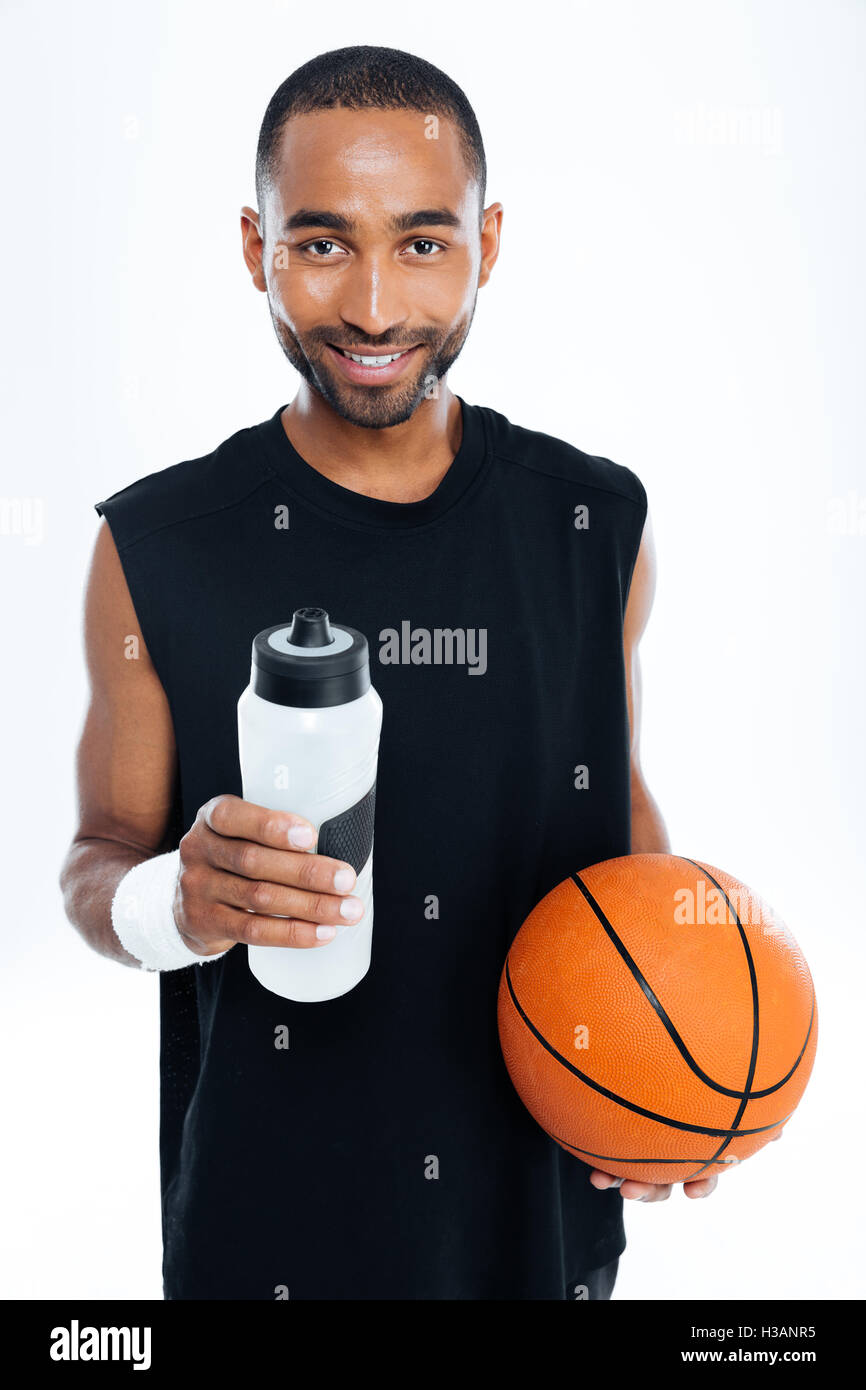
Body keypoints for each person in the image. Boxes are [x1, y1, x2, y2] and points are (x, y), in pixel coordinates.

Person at [59, 44, 718, 1302]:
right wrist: (177, 903)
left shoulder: (593, 520)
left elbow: (612, 808)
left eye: (422, 243)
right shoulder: (155, 546)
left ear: (489, 240)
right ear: (257, 249)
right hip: (268, 1225)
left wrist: (676, 1042)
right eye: (320, 245)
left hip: (538, 1209)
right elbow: (97, 857)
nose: (371, 307)